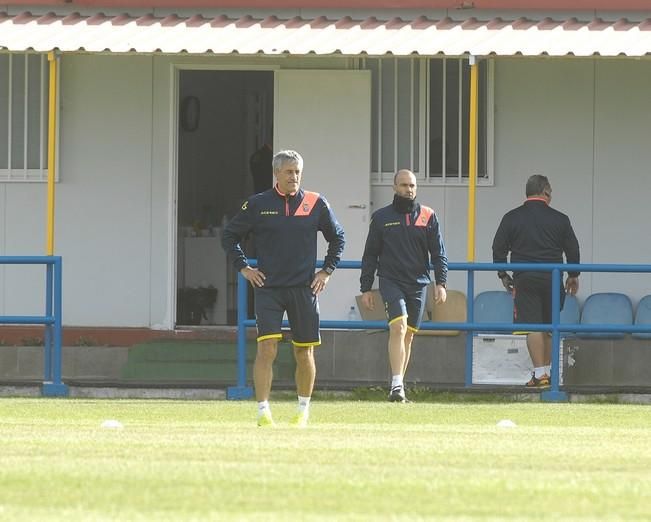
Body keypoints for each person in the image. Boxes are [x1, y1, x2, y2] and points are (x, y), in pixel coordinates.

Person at [222, 150, 345, 427]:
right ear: (276, 174)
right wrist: (244, 268)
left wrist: (326, 271)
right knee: (267, 349)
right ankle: (263, 412)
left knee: (304, 352)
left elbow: (338, 237)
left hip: (304, 289)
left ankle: (303, 411)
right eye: (289, 172)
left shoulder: (316, 203)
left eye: (298, 171)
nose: (294, 177)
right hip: (268, 288)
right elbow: (230, 236)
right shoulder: (257, 204)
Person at [360, 169, 448, 403]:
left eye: (412, 186)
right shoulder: (381, 217)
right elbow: (370, 254)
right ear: (394, 187)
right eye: (404, 185)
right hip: (391, 281)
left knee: (408, 335)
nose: (408, 190)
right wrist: (366, 287)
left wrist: (441, 283)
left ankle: (400, 385)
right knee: (398, 327)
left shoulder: (428, 216)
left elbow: (438, 253)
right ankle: (396, 385)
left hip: (418, 283)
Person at [492, 174, 580, 389]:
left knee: (533, 326)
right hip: (553, 276)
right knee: (550, 326)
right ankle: (547, 374)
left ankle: (540, 375)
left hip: (525, 277)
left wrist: (504, 275)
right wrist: (573, 275)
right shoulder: (560, 218)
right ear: (546, 192)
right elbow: (573, 249)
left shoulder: (511, 217)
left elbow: (498, 248)